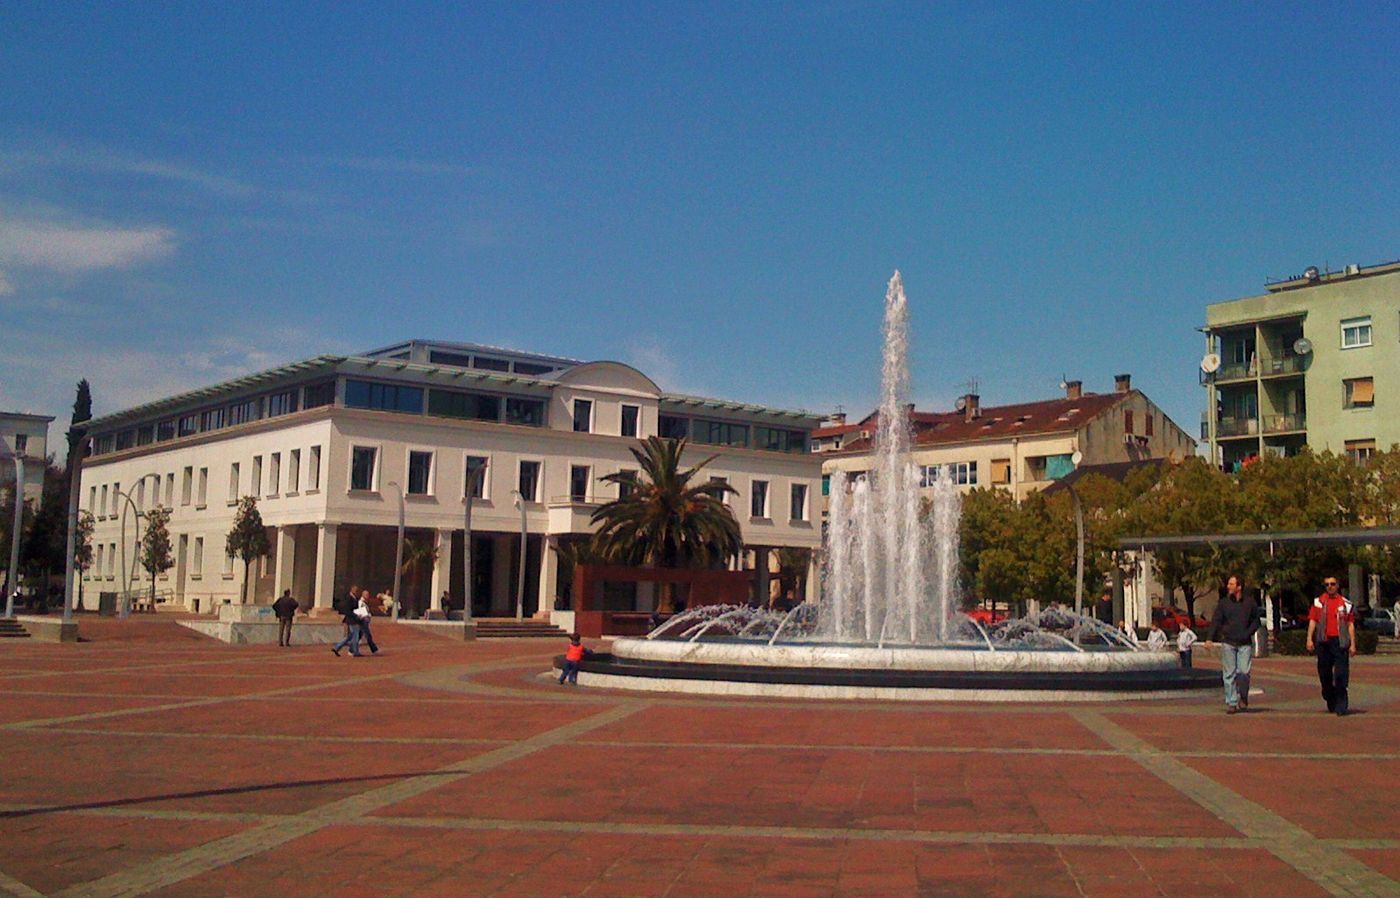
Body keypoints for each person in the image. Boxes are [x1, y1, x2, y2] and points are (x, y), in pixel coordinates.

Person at [1208, 575, 1260, 714]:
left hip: (1244, 644)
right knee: (1229, 674)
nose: (1228, 586)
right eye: (1228, 584)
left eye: (1231, 584)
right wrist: (1210, 638)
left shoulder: (1249, 603)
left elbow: (1256, 621)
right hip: (1228, 642)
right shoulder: (1224, 603)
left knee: (1244, 672)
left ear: (1239, 587)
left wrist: (1247, 632)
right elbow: (1216, 620)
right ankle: (1231, 702)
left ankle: (1243, 696)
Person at [1306, 575, 1356, 716]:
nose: (1330, 587)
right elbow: (1313, 621)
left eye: (1332, 584)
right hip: (1324, 642)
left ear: (1338, 585)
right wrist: (1309, 638)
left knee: (1340, 675)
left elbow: (1350, 624)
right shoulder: (1319, 602)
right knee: (1324, 675)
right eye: (1327, 584)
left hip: (1340, 643)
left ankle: (1341, 705)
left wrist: (1353, 644)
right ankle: (1330, 697)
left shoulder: (1345, 604)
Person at [332, 586, 363, 657]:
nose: (357, 592)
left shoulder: (355, 598)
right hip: (351, 620)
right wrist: (356, 615)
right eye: (355, 590)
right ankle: (355, 651)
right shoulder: (349, 598)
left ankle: (337, 647)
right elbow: (348, 610)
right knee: (355, 635)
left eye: (357, 590)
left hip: (354, 619)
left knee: (350, 636)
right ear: (352, 590)